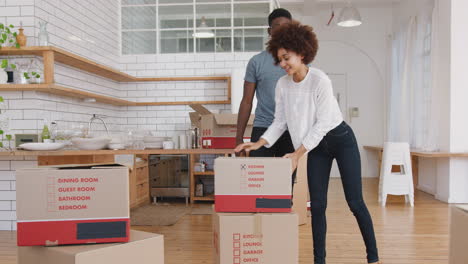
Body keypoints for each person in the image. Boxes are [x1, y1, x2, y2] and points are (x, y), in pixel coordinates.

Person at [234, 21, 380, 264]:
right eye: (279, 59)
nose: (283, 64)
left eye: (286, 58)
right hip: (317, 148)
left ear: (302, 53)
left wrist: (297, 154)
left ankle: (373, 257)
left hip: (340, 140)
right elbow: (280, 121)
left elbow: (322, 124)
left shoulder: (320, 80)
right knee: (318, 205)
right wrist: (259, 143)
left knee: (355, 202)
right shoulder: (282, 85)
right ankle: (318, 261)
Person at [235, 8, 295, 157]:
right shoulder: (256, 62)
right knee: (259, 178)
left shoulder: (299, 60)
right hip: (263, 127)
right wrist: (238, 138)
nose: (283, 30)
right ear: (270, 31)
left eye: (287, 26)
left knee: (286, 178)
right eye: (277, 26)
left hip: (290, 129)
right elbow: (246, 102)